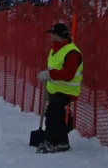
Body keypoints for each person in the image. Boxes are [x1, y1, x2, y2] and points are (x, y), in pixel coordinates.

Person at [36, 23, 82, 154]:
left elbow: (68, 74)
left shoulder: (72, 52)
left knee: (53, 112)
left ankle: (51, 142)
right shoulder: (55, 49)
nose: (51, 36)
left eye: (53, 34)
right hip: (55, 89)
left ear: (59, 36)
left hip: (68, 90)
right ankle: (62, 141)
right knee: (56, 114)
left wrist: (49, 74)